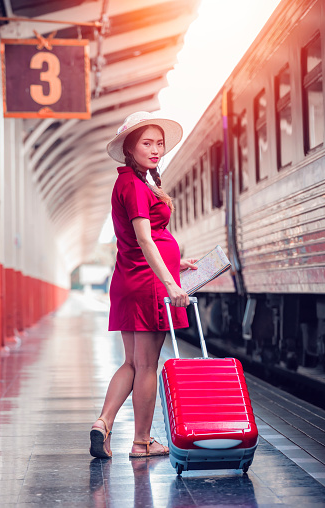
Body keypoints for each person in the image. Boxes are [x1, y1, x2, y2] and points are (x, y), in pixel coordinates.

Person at [90, 111, 197, 459]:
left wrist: (175, 263)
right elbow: (145, 239)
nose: (155, 149)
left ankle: (103, 423)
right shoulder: (135, 186)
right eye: (146, 143)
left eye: (159, 143)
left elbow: (140, 243)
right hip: (147, 284)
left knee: (132, 363)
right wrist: (170, 283)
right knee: (147, 366)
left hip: (131, 278)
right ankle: (141, 442)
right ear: (129, 148)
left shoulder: (130, 181)